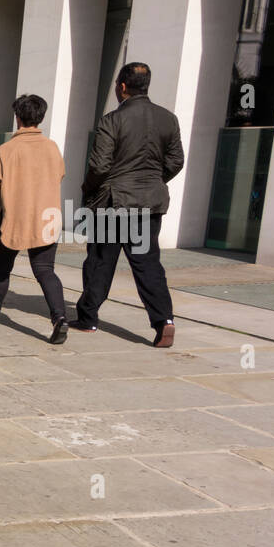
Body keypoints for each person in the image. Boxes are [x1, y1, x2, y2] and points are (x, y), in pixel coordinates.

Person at [73, 61, 184, 348]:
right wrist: (154, 181)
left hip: (114, 202)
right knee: (148, 264)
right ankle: (164, 321)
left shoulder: (112, 120)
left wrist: (88, 189)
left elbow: (99, 165)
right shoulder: (168, 118)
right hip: (150, 204)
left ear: (122, 87)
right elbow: (176, 161)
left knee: (100, 261)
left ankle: (88, 318)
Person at [0, 94, 69, 344]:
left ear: (17, 117)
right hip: (45, 218)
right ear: (40, 117)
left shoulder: (5, 150)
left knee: (2, 269)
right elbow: (59, 175)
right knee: (45, 271)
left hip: (12, 218)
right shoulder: (52, 147)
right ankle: (60, 318)